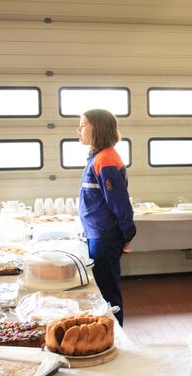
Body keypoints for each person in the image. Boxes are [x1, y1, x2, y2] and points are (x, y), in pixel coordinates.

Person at [78, 109, 136, 325]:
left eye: (83, 125)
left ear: (98, 128)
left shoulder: (106, 160)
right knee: (102, 289)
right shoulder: (97, 158)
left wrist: (127, 234)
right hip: (97, 234)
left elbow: (120, 204)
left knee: (107, 292)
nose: (78, 130)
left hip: (104, 237)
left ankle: (114, 334)